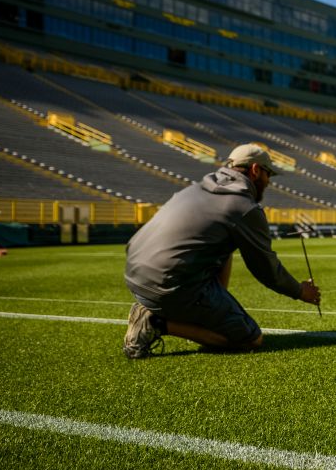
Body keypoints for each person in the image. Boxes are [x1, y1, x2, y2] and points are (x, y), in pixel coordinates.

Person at [122, 143, 321, 358]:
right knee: (250, 339)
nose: (268, 181)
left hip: (134, 275)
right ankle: (156, 323)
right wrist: (300, 291)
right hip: (169, 286)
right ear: (255, 170)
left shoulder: (193, 189)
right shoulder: (244, 207)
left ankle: (198, 318)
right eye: (268, 174)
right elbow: (266, 270)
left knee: (225, 246)